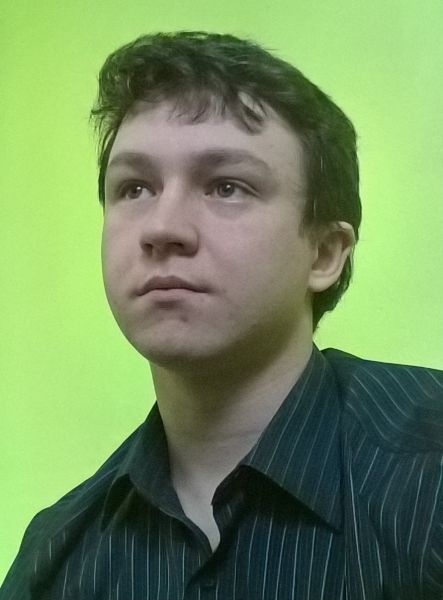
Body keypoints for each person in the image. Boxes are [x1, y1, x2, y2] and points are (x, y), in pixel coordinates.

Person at [1, 31, 442, 600]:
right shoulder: (55, 559)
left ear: (324, 254)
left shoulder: (428, 470)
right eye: (134, 188)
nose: (162, 228)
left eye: (226, 187)